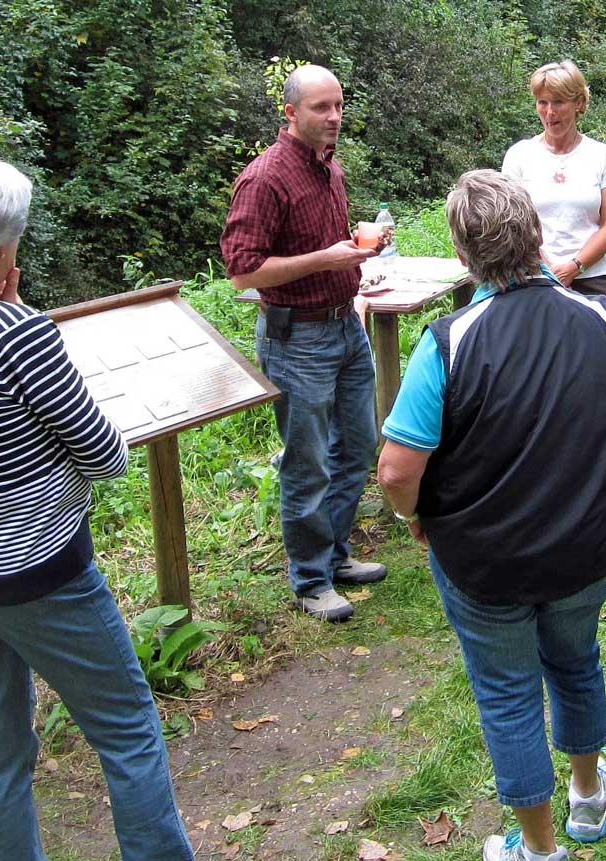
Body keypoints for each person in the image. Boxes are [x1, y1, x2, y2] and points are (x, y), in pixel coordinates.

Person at [0, 153, 194, 861]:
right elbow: (105, 455)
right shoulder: (17, 333)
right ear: (2, 241)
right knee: (127, 728)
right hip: (38, 569)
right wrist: (17, 316)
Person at [377, 170, 606, 861]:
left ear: (463, 254)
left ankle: (538, 846)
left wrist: (415, 518)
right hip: (584, 542)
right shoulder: (600, 318)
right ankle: (587, 794)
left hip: (483, 558)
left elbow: (397, 471)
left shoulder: (448, 341)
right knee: (577, 662)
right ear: (534, 234)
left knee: (507, 693)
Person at [220, 64, 386, 623]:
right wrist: (325, 259)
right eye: (321, 107)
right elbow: (242, 272)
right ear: (290, 112)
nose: (334, 116)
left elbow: (324, 247)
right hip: (298, 338)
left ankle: (335, 556)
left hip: (345, 325)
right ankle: (311, 581)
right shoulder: (265, 178)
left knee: (358, 446)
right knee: (307, 462)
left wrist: (355, 250)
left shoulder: (329, 166)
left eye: (338, 105)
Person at [502, 60, 606, 316]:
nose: (550, 112)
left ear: (578, 103)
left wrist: (575, 266)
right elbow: (513, 223)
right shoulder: (519, 155)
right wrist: (547, 269)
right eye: (543, 102)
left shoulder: (603, 156)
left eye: (558, 102)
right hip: (532, 277)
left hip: (592, 278)